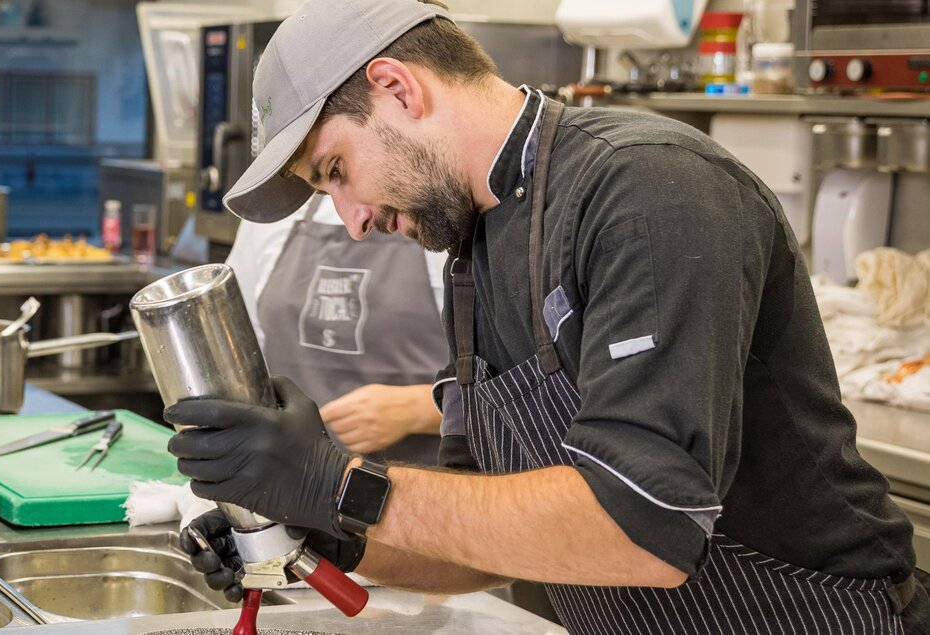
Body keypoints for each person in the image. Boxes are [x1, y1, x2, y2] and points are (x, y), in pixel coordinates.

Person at [165, 0, 930, 632]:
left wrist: (339, 482)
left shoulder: (648, 189)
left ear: (397, 87)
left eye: (335, 171)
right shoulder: (473, 249)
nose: (353, 218)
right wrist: (323, 534)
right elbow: (486, 544)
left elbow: (642, 523)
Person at [225, 193, 448, 464]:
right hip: (289, 480)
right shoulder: (271, 214)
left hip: (423, 487)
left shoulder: (439, 217)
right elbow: (237, 359)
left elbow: (507, 392)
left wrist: (417, 409)